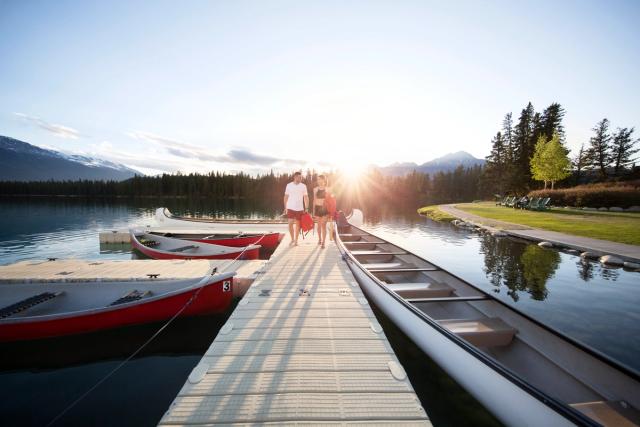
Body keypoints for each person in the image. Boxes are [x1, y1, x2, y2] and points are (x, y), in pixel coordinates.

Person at [283, 171, 309, 246]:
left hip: (300, 208)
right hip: (290, 207)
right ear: (295, 177)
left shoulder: (303, 186)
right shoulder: (289, 185)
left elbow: (306, 197)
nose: (300, 178)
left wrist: (306, 208)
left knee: (298, 225)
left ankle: (296, 240)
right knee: (290, 223)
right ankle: (292, 239)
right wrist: (285, 207)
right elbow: (286, 196)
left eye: (301, 177)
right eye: (299, 177)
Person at [312, 175, 331, 249]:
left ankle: (323, 242)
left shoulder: (328, 189)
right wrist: (313, 211)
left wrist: (331, 211)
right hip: (317, 208)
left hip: (325, 209)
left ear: (324, 180)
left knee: (323, 225)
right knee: (319, 226)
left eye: (320, 179)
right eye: (318, 179)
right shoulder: (315, 189)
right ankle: (319, 239)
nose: (319, 181)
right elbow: (314, 200)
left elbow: (331, 201)